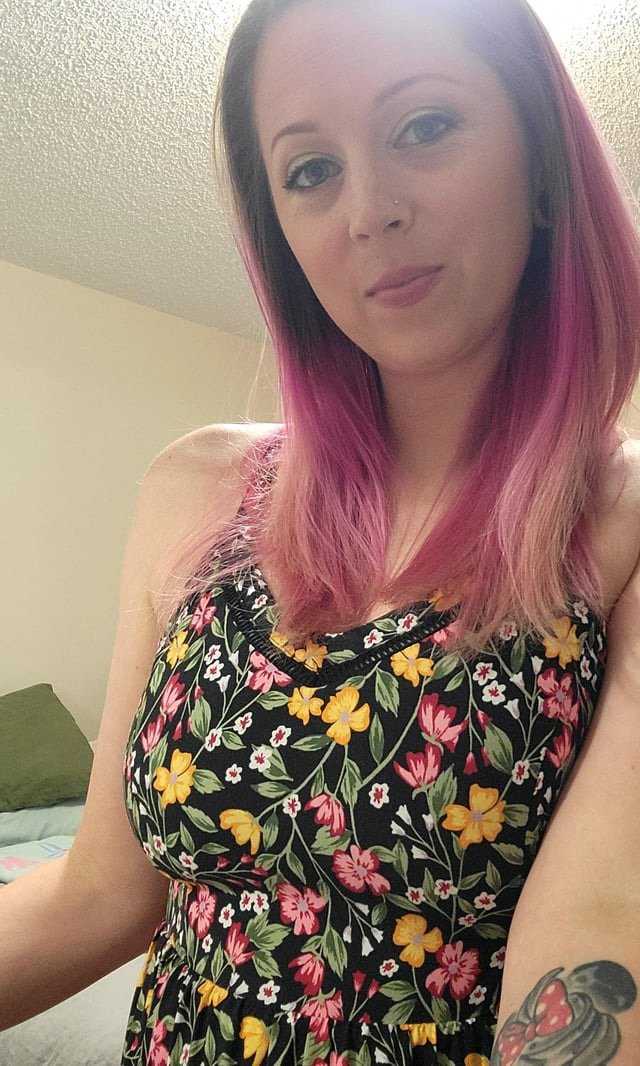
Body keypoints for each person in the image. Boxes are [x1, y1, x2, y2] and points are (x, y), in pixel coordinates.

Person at [2, 0, 640, 1062]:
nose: (369, 210)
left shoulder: (620, 525)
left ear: (541, 166)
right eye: (310, 171)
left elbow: (597, 943)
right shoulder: (198, 488)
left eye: (424, 126)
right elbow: (100, 895)